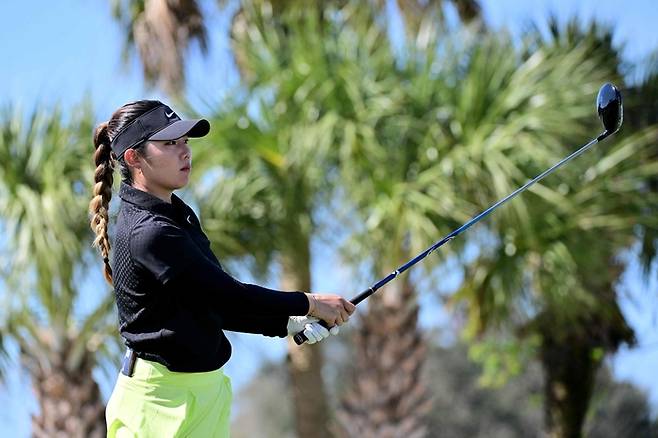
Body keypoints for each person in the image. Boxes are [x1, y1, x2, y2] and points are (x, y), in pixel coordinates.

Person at [88, 100, 355, 437]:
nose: (184, 152)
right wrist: (308, 303)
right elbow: (228, 295)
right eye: (169, 144)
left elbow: (211, 305)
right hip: (156, 406)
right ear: (134, 158)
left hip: (206, 393)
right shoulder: (148, 232)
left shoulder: (177, 215)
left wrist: (286, 324)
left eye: (185, 142)